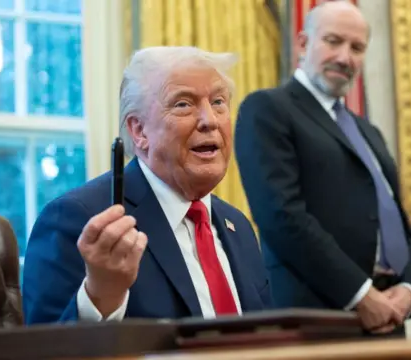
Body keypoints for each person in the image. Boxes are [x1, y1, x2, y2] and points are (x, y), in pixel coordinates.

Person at [23, 46, 271, 323]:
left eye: (218, 102)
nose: (209, 121)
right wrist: (101, 296)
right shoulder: (80, 220)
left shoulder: (238, 226)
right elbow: (46, 348)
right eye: (183, 104)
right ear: (139, 130)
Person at [234, 1, 411, 336]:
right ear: (303, 44)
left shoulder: (368, 131)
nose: (345, 57)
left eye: (357, 48)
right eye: (333, 41)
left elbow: (396, 217)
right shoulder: (268, 109)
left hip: (388, 315)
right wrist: (361, 295)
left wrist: (409, 289)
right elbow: (282, 216)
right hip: (317, 319)